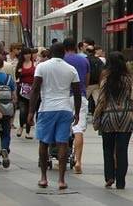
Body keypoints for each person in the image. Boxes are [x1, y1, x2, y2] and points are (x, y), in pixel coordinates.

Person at [27, 42, 82, 191]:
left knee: (44, 143)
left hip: (47, 109)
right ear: (64, 53)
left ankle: (44, 177)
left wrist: (31, 112)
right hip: (65, 109)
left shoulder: (42, 67)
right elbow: (77, 93)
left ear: (50, 53)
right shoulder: (71, 69)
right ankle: (61, 180)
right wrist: (76, 113)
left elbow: (35, 90)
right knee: (62, 143)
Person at [92, 51, 133, 189]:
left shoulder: (106, 79)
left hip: (108, 118)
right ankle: (121, 181)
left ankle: (109, 176)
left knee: (107, 149)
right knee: (122, 150)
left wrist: (96, 118)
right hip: (127, 118)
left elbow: (101, 101)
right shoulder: (130, 79)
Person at [63, 38, 90, 174]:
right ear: (75, 47)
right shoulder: (84, 60)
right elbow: (86, 80)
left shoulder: (62, 60)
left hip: (65, 97)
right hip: (81, 96)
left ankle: (62, 158)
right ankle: (78, 161)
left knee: (63, 128)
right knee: (78, 129)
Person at [0, 54, 16, 169]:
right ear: (3, 64)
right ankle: (5, 148)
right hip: (7, 108)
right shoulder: (9, 78)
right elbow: (13, 95)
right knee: (6, 131)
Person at [15, 47, 36, 139]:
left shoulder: (34, 65)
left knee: (30, 111)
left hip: (32, 90)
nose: (27, 55)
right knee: (23, 110)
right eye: (25, 54)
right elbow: (16, 77)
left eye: (29, 53)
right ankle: (20, 126)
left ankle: (28, 131)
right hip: (22, 90)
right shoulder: (20, 65)